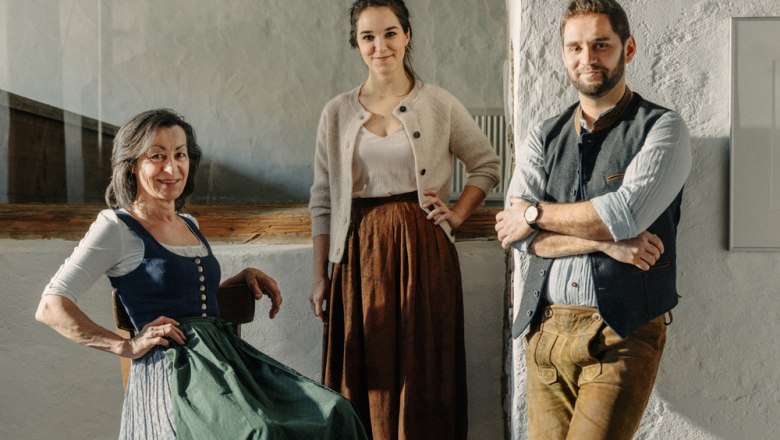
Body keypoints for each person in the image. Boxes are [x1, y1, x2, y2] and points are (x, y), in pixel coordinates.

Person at [35, 109, 367, 440]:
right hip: (177, 372)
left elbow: (188, 298)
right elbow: (51, 306)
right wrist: (126, 346)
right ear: (133, 164)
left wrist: (239, 279)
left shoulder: (188, 223)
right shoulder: (116, 227)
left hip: (225, 361)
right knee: (261, 433)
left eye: (180, 154)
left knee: (335, 411)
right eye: (157, 156)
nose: (171, 167)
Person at [495, 0, 691, 438]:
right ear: (565, 54)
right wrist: (603, 242)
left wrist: (535, 213)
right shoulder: (543, 135)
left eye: (601, 45)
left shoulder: (663, 128)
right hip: (544, 328)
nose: (588, 59)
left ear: (629, 48)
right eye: (576, 47)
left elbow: (623, 214)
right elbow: (515, 234)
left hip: (622, 331)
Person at [308, 1, 501, 438]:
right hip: (357, 257)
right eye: (368, 37)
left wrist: (455, 215)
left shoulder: (437, 102)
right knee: (367, 373)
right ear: (357, 45)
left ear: (407, 35)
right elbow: (322, 198)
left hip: (422, 253)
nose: (381, 46)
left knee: (423, 374)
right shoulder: (336, 112)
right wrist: (320, 275)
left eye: (390, 33)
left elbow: (486, 166)